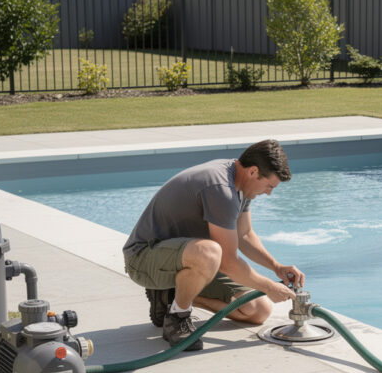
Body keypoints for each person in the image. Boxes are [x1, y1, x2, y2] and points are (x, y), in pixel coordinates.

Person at [122, 139, 304, 350]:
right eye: (269, 186)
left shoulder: (242, 185)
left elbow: (244, 235)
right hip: (144, 258)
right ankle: (178, 317)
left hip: (189, 259)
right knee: (210, 252)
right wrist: (268, 286)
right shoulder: (221, 188)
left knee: (258, 310)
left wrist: (276, 267)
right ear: (254, 172)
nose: (269, 193)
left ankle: (171, 296)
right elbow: (227, 262)